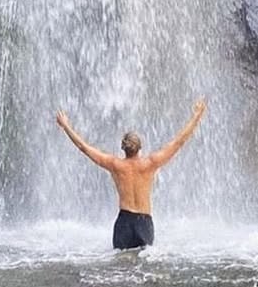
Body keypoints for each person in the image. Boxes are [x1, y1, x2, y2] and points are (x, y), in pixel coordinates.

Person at [55, 99, 207, 250]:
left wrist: (66, 126)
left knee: (121, 262)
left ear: (123, 148)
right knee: (143, 261)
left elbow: (83, 147)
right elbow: (179, 142)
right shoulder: (150, 163)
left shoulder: (115, 165)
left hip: (124, 222)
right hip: (144, 222)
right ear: (140, 148)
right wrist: (197, 116)